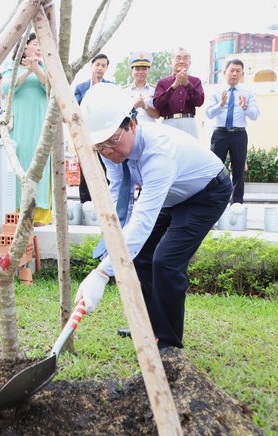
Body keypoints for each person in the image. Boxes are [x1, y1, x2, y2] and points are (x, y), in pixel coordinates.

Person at [75, 83, 231, 352]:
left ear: (132, 125)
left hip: (205, 194)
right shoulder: (110, 151)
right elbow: (117, 197)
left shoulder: (158, 153)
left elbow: (143, 221)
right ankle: (148, 327)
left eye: (113, 141)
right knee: (142, 256)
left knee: (166, 261)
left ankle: (169, 343)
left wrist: (101, 274)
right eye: (100, 146)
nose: (109, 151)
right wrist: (113, 240)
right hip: (171, 194)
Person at [1, 32, 51, 226]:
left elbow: (50, 85)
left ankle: (39, 215)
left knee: (41, 162)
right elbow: (6, 88)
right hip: (19, 123)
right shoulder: (11, 66)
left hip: (41, 122)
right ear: (25, 47)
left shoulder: (46, 64)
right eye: (35, 43)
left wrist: (36, 68)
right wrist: (27, 71)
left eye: (40, 44)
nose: (38, 47)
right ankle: (19, 210)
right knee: (20, 162)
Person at [205, 59, 260, 205]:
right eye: (231, 70)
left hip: (239, 135)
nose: (234, 74)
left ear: (242, 74)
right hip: (220, 134)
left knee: (238, 171)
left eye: (238, 71)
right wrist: (221, 104)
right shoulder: (216, 92)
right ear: (225, 72)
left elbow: (255, 115)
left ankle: (237, 204)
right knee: (214, 169)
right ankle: (212, 203)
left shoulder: (247, 93)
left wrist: (245, 107)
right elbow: (209, 113)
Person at [74, 53, 113, 204]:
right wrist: (92, 89)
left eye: (103, 65)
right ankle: (86, 205)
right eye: (97, 65)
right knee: (86, 170)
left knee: (106, 169)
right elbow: (77, 109)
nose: (100, 68)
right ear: (91, 66)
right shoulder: (81, 87)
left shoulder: (110, 87)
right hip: (86, 135)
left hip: (106, 135)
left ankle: (106, 204)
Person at [153, 48, 204, 139]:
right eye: (178, 58)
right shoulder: (163, 83)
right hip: (169, 122)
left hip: (188, 122)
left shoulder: (195, 81)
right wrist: (173, 87)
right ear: (171, 62)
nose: (181, 61)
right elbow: (158, 104)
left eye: (185, 58)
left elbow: (199, 102)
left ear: (190, 63)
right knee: (169, 151)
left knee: (190, 151)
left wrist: (187, 85)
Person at [123, 51, 160, 123]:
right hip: (130, 130)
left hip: (150, 130)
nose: (140, 72)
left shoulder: (155, 90)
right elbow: (121, 114)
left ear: (148, 70)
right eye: (137, 69)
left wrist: (144, 106)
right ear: (132, 71)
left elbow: (158, 115)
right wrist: (134, 106)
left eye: (144, 69)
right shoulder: (124, 91)